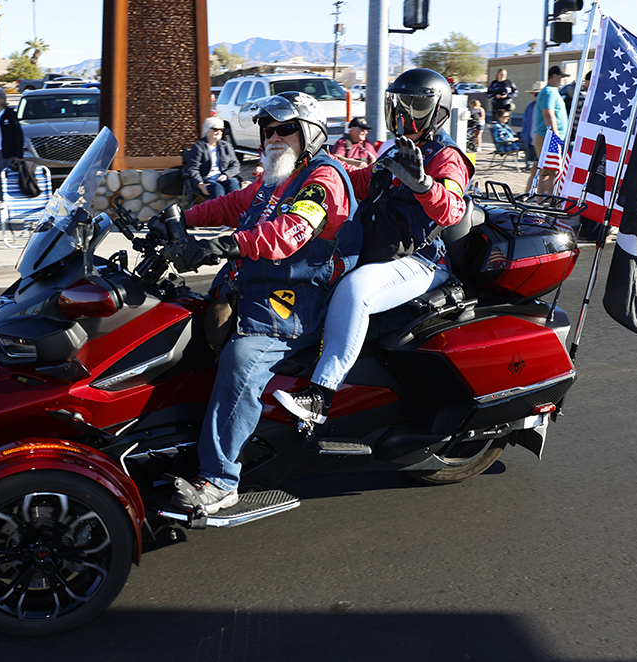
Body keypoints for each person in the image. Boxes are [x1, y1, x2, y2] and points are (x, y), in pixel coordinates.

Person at [167, 92, 361, 514]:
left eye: (285, 129)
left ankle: (219, 480)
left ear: (309, 133)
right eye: (267, 130)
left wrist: (223, 245)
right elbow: (235, 203)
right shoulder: (277, 179)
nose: (274, 137)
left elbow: (290, 233)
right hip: (255, 289)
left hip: (291, 305)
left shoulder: (321, 181)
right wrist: (180, 220)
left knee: (242, 362)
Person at [273, 68, 474, 429]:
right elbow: (358, 184)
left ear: (436, 111)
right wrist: (310, 176)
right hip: (381, 252)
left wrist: (424, 184)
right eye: (398, 105)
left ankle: (321, 395)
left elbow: (453, 208)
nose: (402, 115)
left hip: (422, 260)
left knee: (356, 291)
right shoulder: (394, 150)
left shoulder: (447, 157)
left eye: (413, 107)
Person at [528, 65, 569, 195]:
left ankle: (546, 201)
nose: (564, 79)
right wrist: (555, 136)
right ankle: (547, 202)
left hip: (550, 137)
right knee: (548, 171)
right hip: (548, 136)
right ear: (554, 76)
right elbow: (548, 114)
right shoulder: (548, 92)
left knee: (548, 171)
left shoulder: (553, 91)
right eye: (562, 77)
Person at [186, 116, 241, 199]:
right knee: (217, 188)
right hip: (207, 179)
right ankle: (219, 212)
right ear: (207, 131)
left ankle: (238, 210)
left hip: (223, 177)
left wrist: (226, 175)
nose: (219, 132)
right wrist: (200, 184)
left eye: (221, 130)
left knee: (233, 183)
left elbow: (235, 165)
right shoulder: (198, 147)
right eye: (215, 130)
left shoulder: (225, 146)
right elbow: (193, 169)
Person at [0, 87, 24, 185]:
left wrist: (19, 153)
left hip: (7, 151)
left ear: (2, 99)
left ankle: (2, 197)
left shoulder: (9, 114)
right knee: (6, 177)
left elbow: (18, 134)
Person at [521, 82, 543, 170]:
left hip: (542, 142)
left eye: (539, 94)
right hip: (531, 141)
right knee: (533, 168)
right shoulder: (530, 107)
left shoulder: (547, 107)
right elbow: (525, 123)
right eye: (535, 94)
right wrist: (525, 136)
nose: (537, 97)